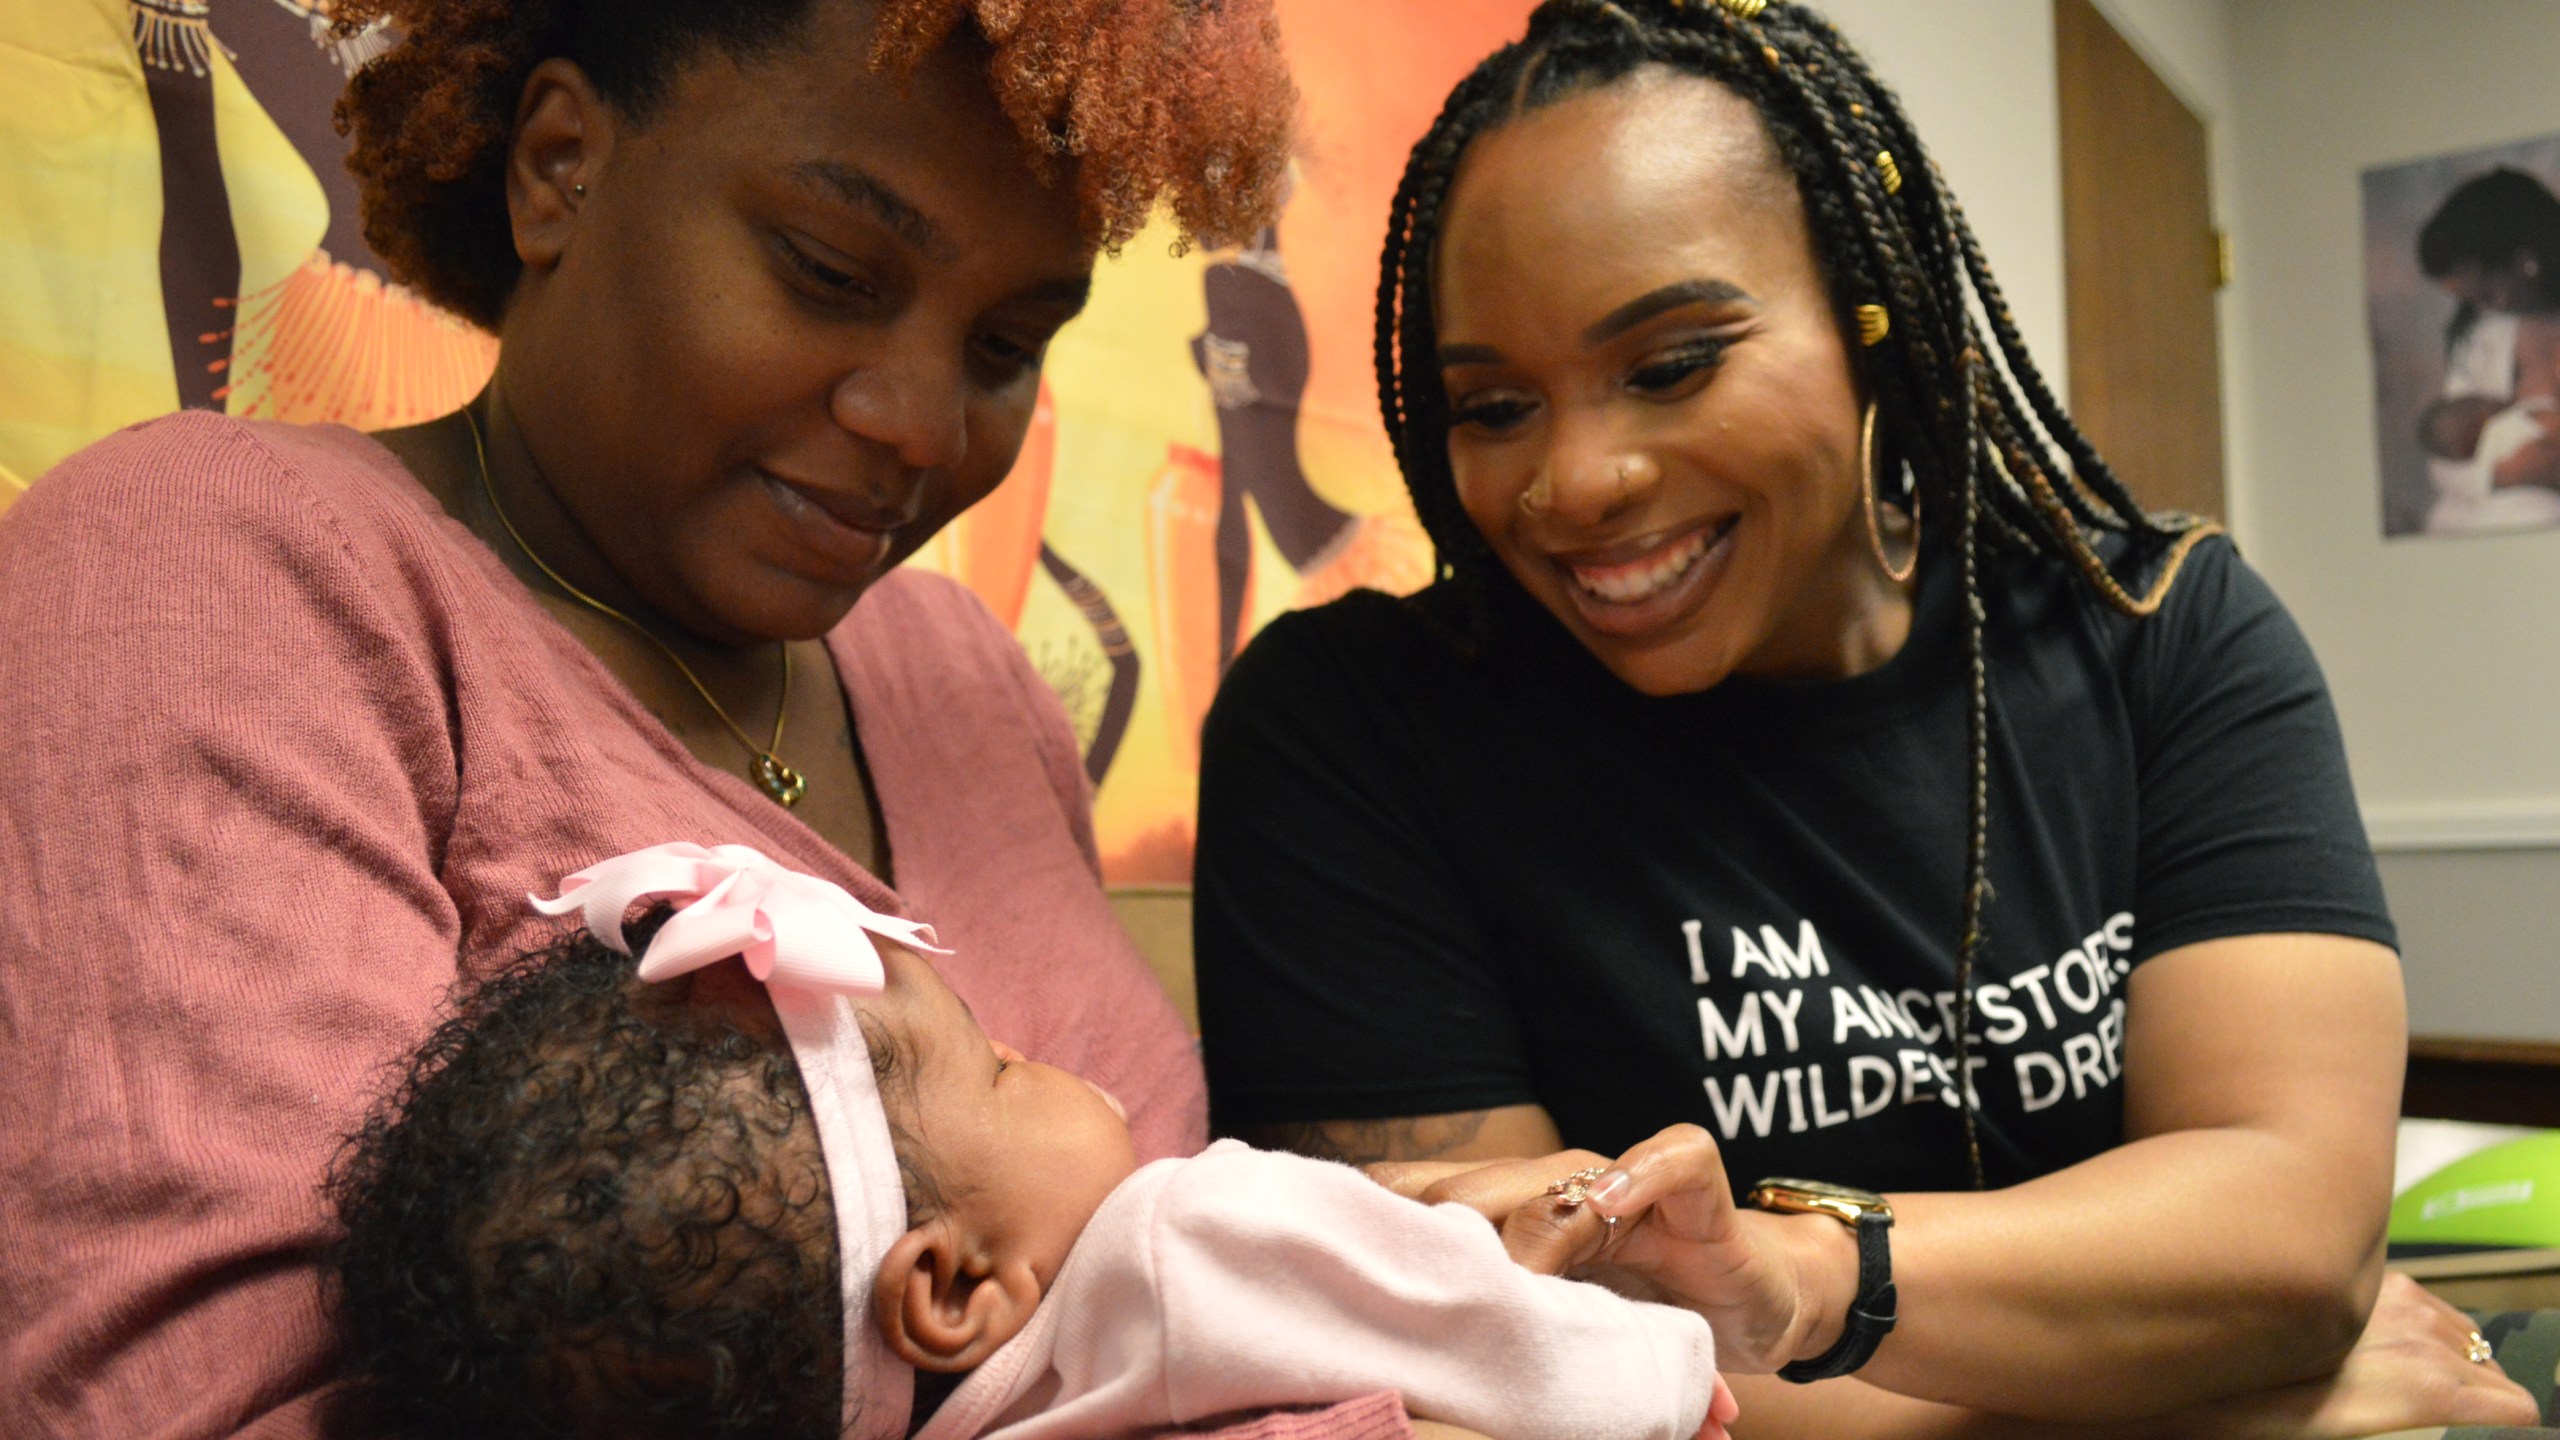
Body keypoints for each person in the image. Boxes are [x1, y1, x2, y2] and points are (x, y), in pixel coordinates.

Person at [0, 4, 1417, 1438]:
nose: (922, 421)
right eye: (829, 273)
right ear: (559, 165)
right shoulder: (216, 568)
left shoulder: (963, 677)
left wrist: (1396, 1274)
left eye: (1003, 343)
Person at [1192, 2, 2546, 1437]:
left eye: (1669, 365)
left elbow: (2288, 1236)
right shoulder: (1348, 732)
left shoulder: (2156, 626)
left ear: (1868, 317)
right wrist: (2208, 1409)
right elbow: (1510, 1365)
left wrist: (1805, 1274)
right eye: (1497, 403)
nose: (1572, 481)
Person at [328, 843, 1739, 1440]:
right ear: (951, 1288)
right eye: (1002, 1070)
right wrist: (1656, 1359)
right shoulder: (1173, 1246)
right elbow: (1531, 1353)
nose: (1052, 1064)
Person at [2413, 167, 2560, 534]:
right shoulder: (2484, 338)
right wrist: (2505, 474)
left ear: (2527, 263)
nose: (2485, 309)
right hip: (2486, 518)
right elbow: (2445, 451)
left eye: (2488, 294)